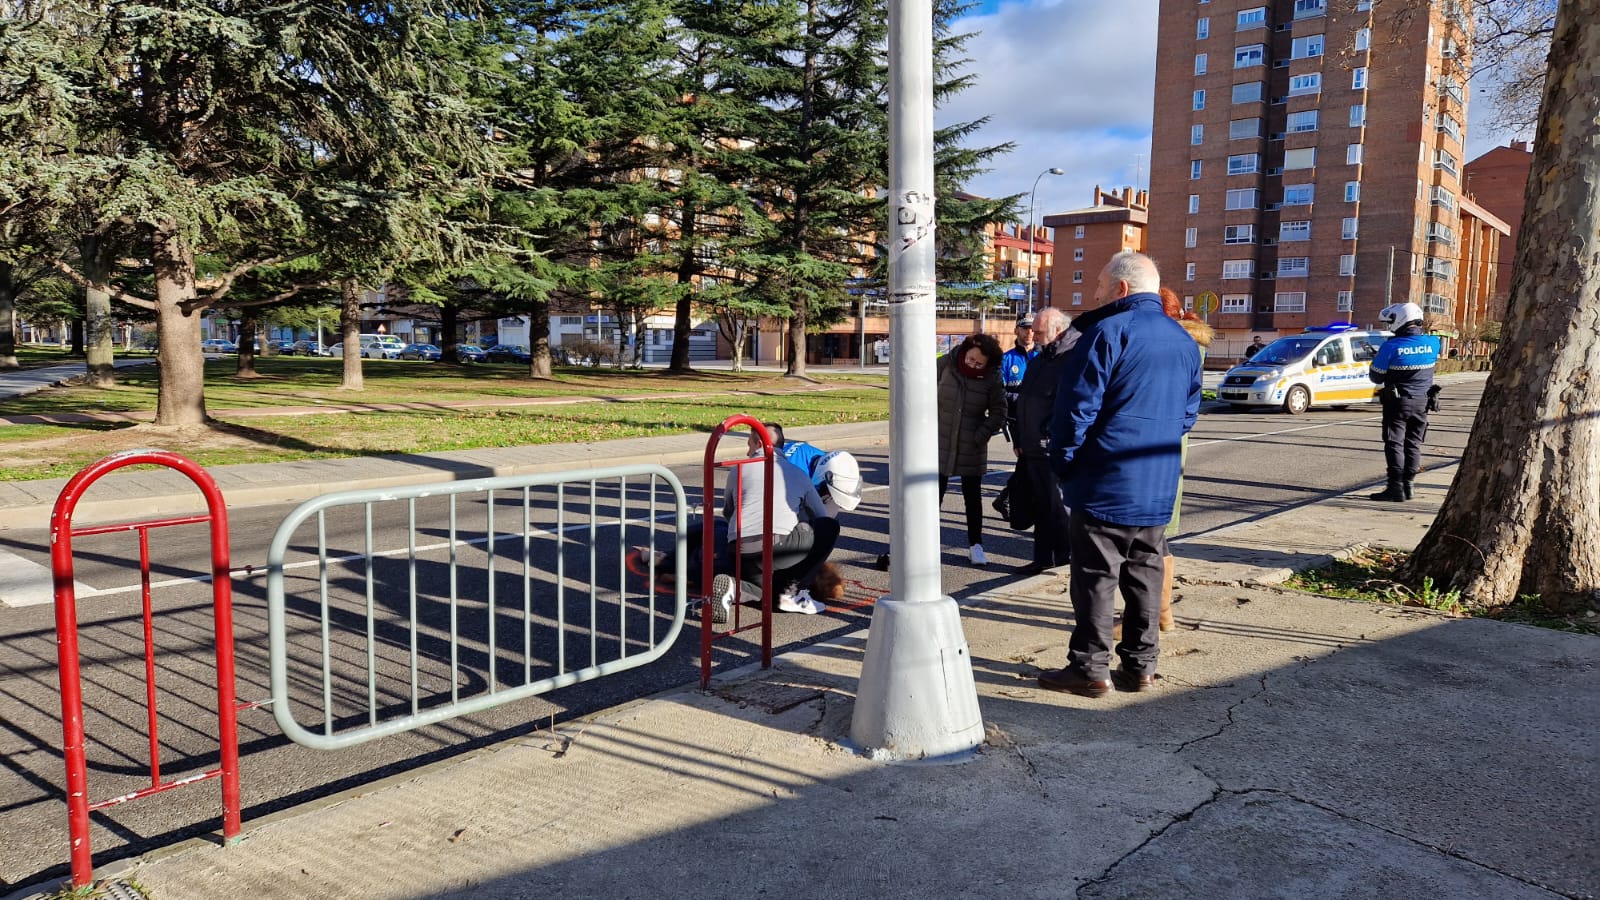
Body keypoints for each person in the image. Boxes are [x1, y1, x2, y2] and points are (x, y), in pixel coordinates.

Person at [1037, 252, 1201, 698]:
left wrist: (1064, 461)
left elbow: (1075, 411)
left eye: (1099, 287)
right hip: (1158, 482)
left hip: (1105, 479)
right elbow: (1188, 414)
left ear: (1121, 289)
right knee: (1145, 574)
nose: (1094, 295)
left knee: (1094, 577)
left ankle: (1090, 669)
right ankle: (1142, 667)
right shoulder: (1184, 340)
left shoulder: (1106, 332)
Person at [706, 430, 840, 622]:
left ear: (759, 444)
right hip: (775, 549)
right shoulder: (796, 473)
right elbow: (821, 516)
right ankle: (795, 592)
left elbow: (728, 511)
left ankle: (734, 588)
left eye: (749, 446)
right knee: (829, 527)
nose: (747, 453)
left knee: (769, 589)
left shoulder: (738, 470)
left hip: (738, 552)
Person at [1011, 307, 1077, 575]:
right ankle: (1043, 559)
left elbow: (1071, 404)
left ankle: (1064, 560)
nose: (1033, 335)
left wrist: (1050, 434)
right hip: (1031, 447)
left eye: (1038, 331)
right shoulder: (1041, 359)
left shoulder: (1072, 359)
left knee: (1059, 508)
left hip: (1051, 447)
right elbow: (1026, 399)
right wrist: (1019, 437)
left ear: (1058, 331)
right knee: (1040, 507)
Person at [936, 332, 1007, 566]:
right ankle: (924, 543)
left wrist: (981, 435)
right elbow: (923, 393)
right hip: (940, 441)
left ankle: (976, 545)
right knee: (932, 496)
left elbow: (999, 413)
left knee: (972, 498)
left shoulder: (992, 377)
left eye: (979, 363)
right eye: (970, 359)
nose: (973, 365)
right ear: (965, 351)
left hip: (971, 445)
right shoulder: (946, 364)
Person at [1368, 302, 1440, 502]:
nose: (1388, 325)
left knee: (1394, 443)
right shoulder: (1434, 343)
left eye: (1390, 321)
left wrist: (1377, 360)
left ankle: (1395, 487)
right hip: (1423, 402)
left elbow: (1376, 376)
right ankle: (1409, 486)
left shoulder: (1391, 346)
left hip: (1398, 403)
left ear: (1400, 320)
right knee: (1414, 444)